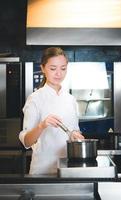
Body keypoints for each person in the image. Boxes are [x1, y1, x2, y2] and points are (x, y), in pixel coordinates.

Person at [19, 47, 84, 175]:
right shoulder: (35, 99)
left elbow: (74, 130)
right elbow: (26, 141)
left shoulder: (70, 99)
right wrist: (42, 125)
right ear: (43, 69)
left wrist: (76, 136)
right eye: (53, 69)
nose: (58, 73)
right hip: (43, 171)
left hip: (69, 170)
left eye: (63, 68)